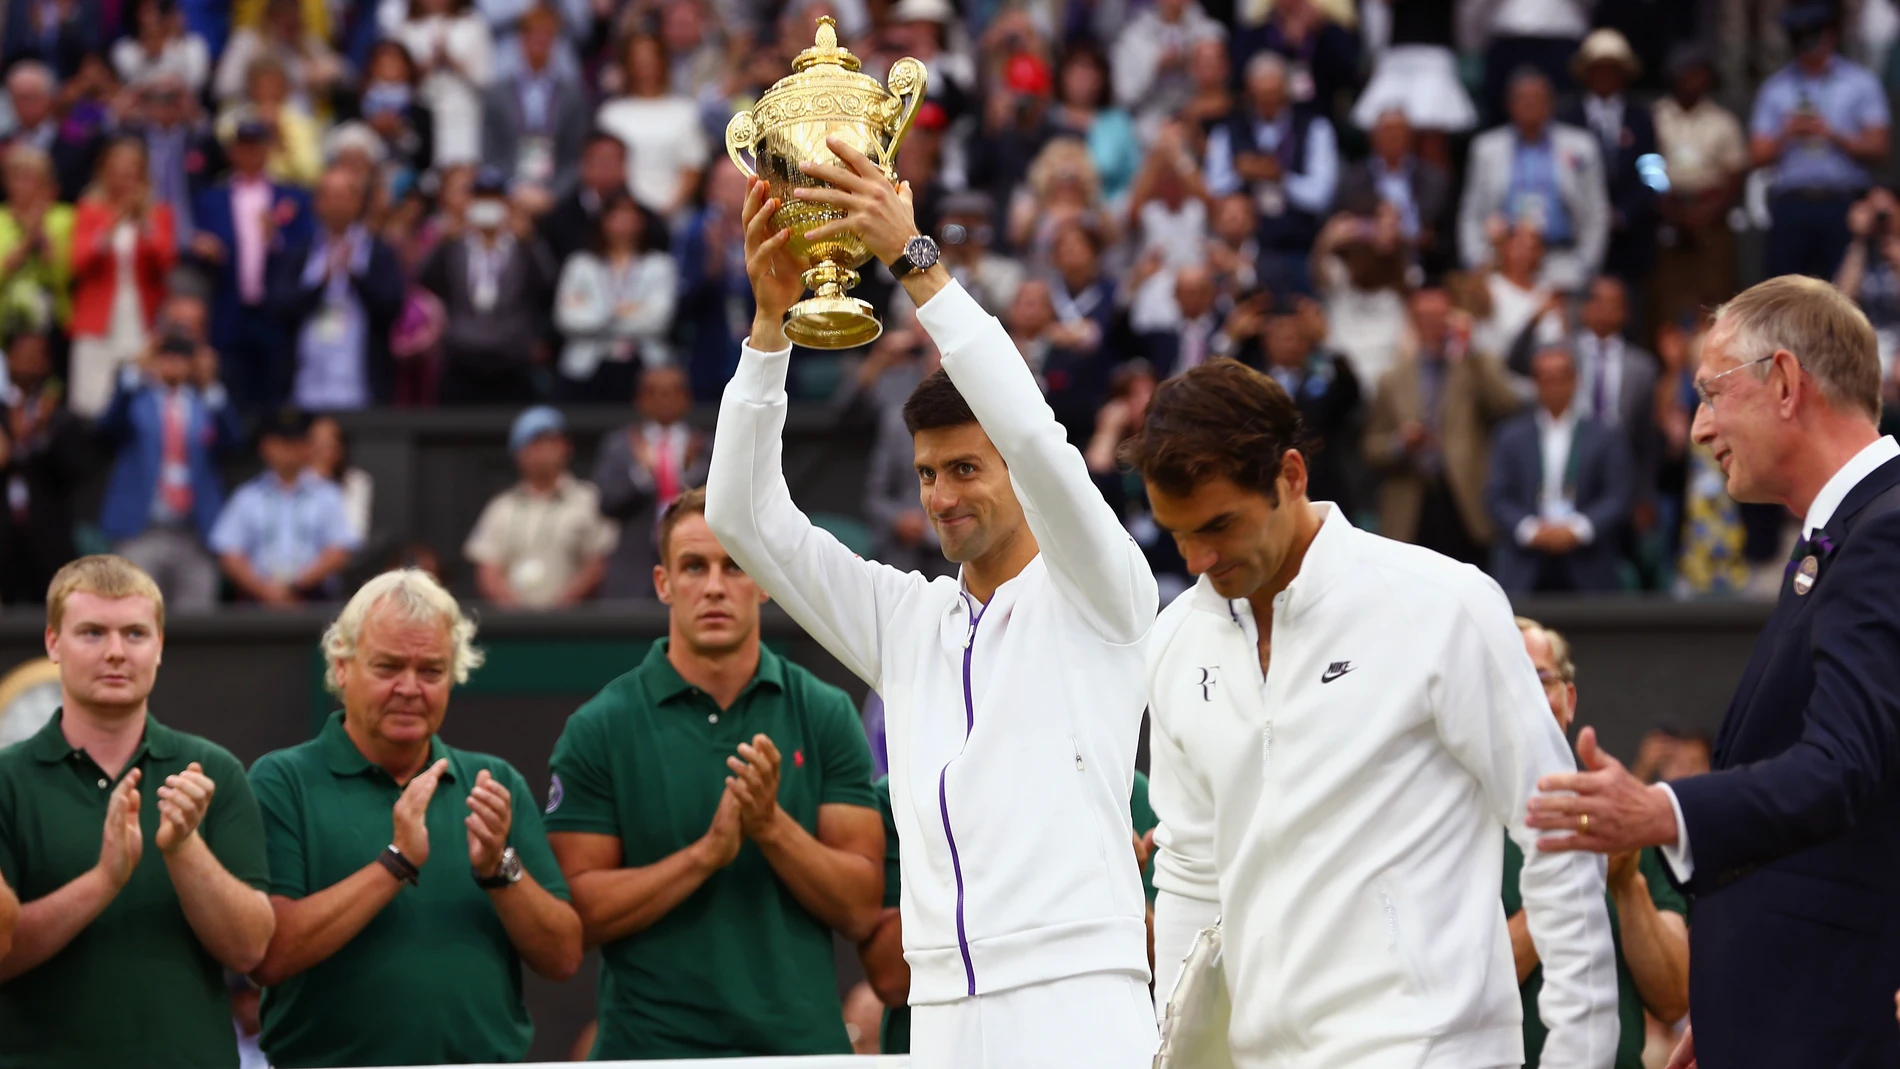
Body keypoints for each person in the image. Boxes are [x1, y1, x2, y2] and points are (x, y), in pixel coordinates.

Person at [706, 140, 1160, 1068]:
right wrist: (768, 329)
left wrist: (918, 262)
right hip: (940, 1006)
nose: (942, 494)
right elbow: (743, 517)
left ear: (1016, 475)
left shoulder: (1104, 590)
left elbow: (1034, 433)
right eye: (925, 474)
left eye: (965, 468)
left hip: (1080, 999)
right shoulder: (907, 622)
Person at [1129, 358, 1618, 1068]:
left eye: (1220, 525)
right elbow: (1192, 873)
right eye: (1177, 534)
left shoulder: (1442, 603)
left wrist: (1582, 1053)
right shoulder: (1174, 640)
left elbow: (1553, 831)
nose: (1199, 556)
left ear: (1290, 476)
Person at [1526, 275, 1900, 1068]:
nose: (1696, 428)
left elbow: (1842, 770)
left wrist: (1659, 809)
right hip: (1791, 1012)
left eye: (1709, 393)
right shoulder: (1847, 535)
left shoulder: (1884, 533)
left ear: (1787, 384)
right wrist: (1738, 995)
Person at [546, 488, 882, 1057]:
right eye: (694, 566)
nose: (715, 586)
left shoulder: (824, 712)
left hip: (798, 1049)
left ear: (766, 582)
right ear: (663, 584)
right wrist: (706, 854)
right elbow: (573, 914)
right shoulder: (598, 727)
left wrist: (771, 828)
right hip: (648, 1051)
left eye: (735, 566)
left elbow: (861, 908)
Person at [247, 569, 581, 1065]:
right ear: (342, 667)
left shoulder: (494, 783)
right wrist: (396, 863)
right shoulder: (282, 781)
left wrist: (499, 867)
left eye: (431, 671)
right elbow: (270, 955)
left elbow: (563, 957)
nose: (410, 688)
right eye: (388, 667)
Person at [0, 555, 275, 1067]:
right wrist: (104, 879)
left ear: (160, 646)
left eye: (134, 634)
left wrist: (184, 847)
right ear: (52, 643)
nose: (115, 653)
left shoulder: (215, 770)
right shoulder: (6, 780)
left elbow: (250, 951)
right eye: (91, 633)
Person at [862, 768, 1166, 1056]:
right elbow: (891, 978)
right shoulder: (909, 789)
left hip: (1088, 1043)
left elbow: (1159, 961)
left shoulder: (1126, 786)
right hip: (954, 1048)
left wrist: (1117, 877)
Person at [1506, 618, 1689, 1069]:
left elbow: (1674, 998)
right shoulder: (1448, 821)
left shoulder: (1620, 815)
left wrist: (1626, 884)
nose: (1527, 694)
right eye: (1507, 679)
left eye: (1541, 679)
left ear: (1568, 700)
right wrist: (1574, 875)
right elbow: (1461, 992)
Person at [1364, 286, 1522, 562]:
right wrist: (1401, 443)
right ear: (1413, 322)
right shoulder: (1392, 379)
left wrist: (1470, 346)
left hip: (1464, 500)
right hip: (1412, 500)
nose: (1432, 325)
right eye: (1424, 317)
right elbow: (1371, 447)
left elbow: (1507, 404)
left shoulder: (1473, 366)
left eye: (1439, 316)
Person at [98, 322, 238, 612]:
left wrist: (209, 381)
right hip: (142, 530)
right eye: (166, 356)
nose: (173, 363)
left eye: (181, 357)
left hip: (194, 533)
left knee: (197, 622)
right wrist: (137, 368)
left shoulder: (205, 402)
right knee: (134, 614)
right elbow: (107, 429)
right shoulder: (136, 399)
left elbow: (234, 441)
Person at [1748, 3, 1890, 282]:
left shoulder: (1860, 83)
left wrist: (1832, 135)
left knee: (1845, 294)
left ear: (1830, 35)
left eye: (1812, 34)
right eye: (1798, 36)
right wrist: (1787, 133)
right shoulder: (1775, 88)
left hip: (1844, 202)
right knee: (1782, 297)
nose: (1806, 44)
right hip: (1793, 203)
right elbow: (1756, 155)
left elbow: (1880, 148)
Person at [1484, 346, 1634, 593]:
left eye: (1561, 378)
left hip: (1588, 562)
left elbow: (1617, 496)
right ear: (1536, 383)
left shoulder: (1605, 435)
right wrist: (1531, 530)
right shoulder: (1510, 436)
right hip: (1525, 562)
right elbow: (1496, 497)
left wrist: (1577, 529)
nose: (1554, 386)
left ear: (1575, 381)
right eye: (1546, 379)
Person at [191, 118, 313, 413]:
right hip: (228, 306)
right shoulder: (212, 198)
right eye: (243, 148)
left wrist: (276, 240)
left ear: (267, 151)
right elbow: (199, 245)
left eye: (256, 148)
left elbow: (307, 249)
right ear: (232, 153)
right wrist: (204, 250)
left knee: (274, 387)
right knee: (229, 385)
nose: (250, 155)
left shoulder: (291, 197)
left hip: (274, 310)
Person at [1459, 69, 1609, 294]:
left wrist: (1584, 265)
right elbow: (1471, 212)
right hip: (1501, 263)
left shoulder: (1581, 146)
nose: (1529, 105)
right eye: (1522, 99)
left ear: (1551, 104)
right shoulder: (1486, 148)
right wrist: (1476, 261)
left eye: (1536, 99)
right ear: (1508, 105)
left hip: (1562, 262)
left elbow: (1597, 212)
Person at [269, 166, 406, 411]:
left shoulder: (379, 252)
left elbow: (391, 307)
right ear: (317, 203)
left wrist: (354, 274)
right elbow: (281, 307)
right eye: (328, 196)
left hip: (362, 384)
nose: (336, 204)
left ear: (358, 203)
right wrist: (321, 281)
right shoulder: (298, 253)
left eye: (343, 196)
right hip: (307, 386)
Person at [416, 169, 557, 404]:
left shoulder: (522, 244)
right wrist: (443, 241)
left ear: (507, 203)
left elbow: (548, 283)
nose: (488, 206)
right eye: (481, 199)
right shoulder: (455, 245)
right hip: (462, 360)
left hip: (512, 361)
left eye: (495, 199)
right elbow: (424, 279)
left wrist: (530, 241)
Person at [1203, 52, 1337, 295]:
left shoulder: (1315, 128)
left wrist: (1280, 178)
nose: (1267, 102)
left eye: (1273, 94)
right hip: (1241, 251)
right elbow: (1213, 190)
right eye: (1260, 95)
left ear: (1285, 91)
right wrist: (1243, 175)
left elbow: (1321, 196)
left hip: (1298, 247)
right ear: (1249, 92)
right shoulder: (1228, 130)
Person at [465, 405, 617, 609]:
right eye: (536, 442)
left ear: (567, 447)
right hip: (512, 627)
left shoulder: (589, 499)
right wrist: (515, 611)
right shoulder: (501, 507)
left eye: (552, 441)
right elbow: (487, 569)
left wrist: (561, 606)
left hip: (574, 625)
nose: (545, 450)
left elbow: (598, 563)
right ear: (518, 453)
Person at [70, 138, 178, 418]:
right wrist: (113, 221)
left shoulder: (159, 213)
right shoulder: (90, 210)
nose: (125, 177)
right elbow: (80, 263)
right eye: (118, 170)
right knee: (90, 401)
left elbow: (165, 263)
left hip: (141, 318)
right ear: (104, 172)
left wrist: (144, 223)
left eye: (132, 170)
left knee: (138, 396)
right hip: (97, 319)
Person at [210, 406, 361, 606]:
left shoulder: (328, 494)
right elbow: (229, 552)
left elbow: (340, 549)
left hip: (313, 600)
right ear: (265, 446)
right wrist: (265, 590)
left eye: (297, 442)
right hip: (256, 602)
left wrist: (296, 586)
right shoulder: (247, 496)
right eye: (283, 442)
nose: (291, 450)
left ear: (308, 446)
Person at [591, 364, 707, 600]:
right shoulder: (619, 446)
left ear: (687, 398)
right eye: (654, 392)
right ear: (640, 399)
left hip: (696, 562)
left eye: (673, 392)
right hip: (633, 570)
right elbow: (606, 503)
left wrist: (689, 473)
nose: (665, 399)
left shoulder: (706, 447)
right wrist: (642, 474)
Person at [551, 189, 678, 402]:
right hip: (586, 367)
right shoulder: (580, 264)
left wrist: (592, 311)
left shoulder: (659, 265)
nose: (623, 223)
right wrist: (621, 311)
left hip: (642, 364)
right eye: (616, 215)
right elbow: (567, 319)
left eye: (629, 216)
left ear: (641, 221)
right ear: (603, 221)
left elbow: (659, 321)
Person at [1557, 30, 1658, 290]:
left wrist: (1623, 214)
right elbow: (1560, 174)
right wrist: (1591, 216)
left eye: (1612, 69)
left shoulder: (1641, 118)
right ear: (1586, 73)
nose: (1604, 76)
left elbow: (1654, 176)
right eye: (1597, 68)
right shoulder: (1567, 118)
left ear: (1623, 73)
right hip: (1577, 237)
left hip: (1630, 239)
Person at [0, 330, 83, 606]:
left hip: (46, 535)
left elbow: (73, 472)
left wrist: (43, 432)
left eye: (37, 355)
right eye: (22, 354)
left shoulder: (59, 415)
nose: (28, 361)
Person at [480, 5, 587, 202]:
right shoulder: (497, 93)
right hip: (509, 192)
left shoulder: (571, 95)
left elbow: (576, 155)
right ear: (520, 40)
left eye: (546, 36)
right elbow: (490, 151)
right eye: (533, 35)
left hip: (556, 196)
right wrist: (512, 188)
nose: (539, 42)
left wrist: (553, 193)